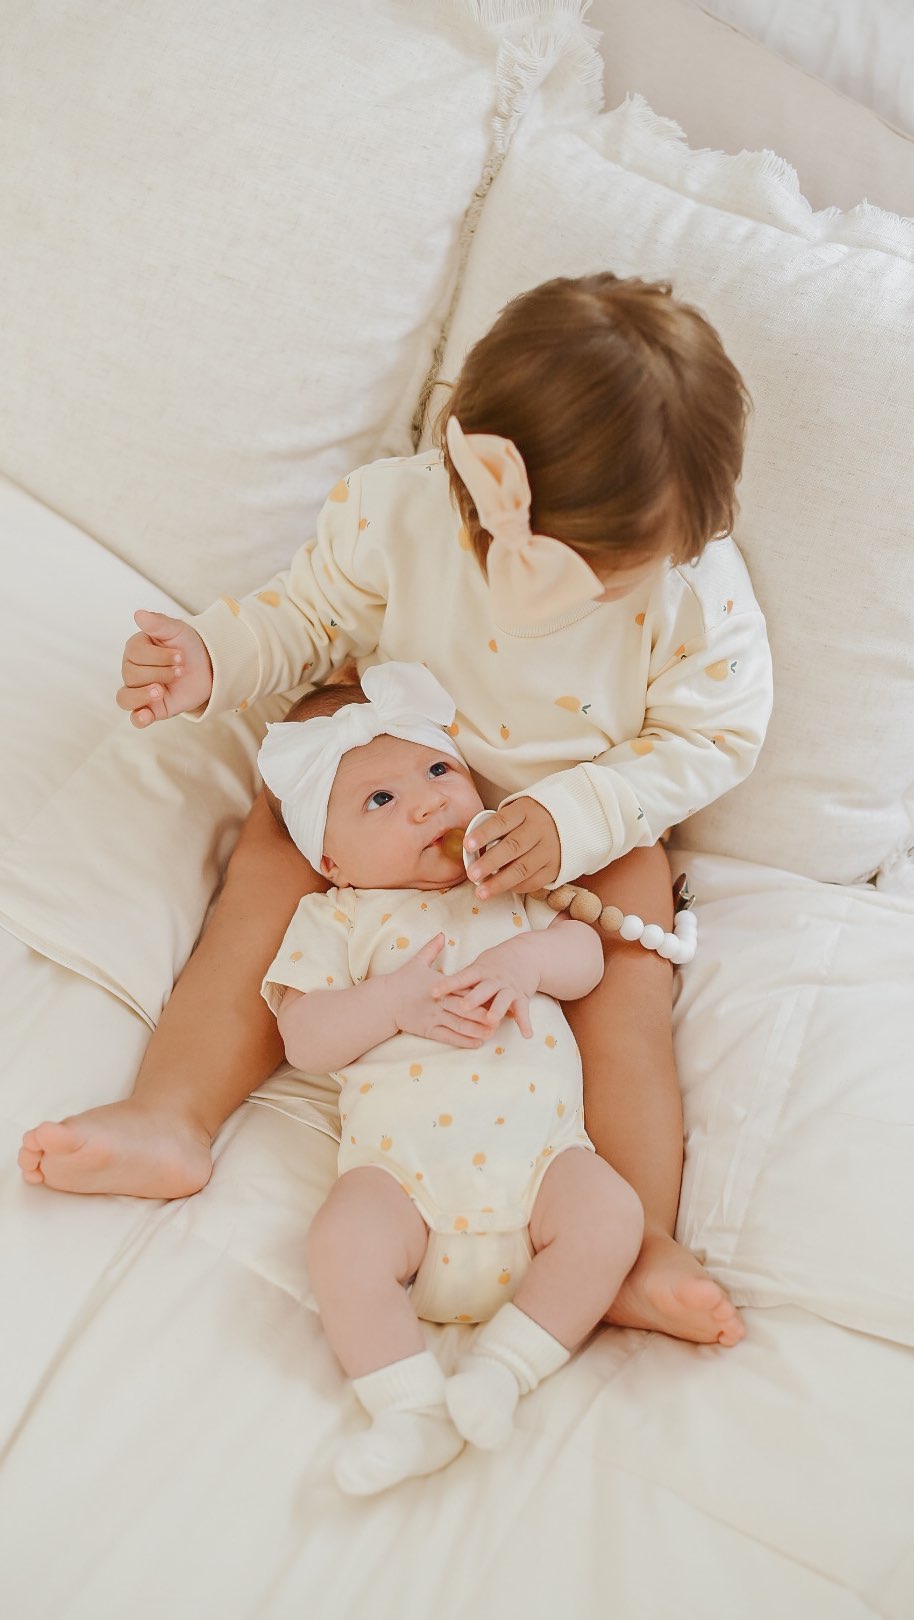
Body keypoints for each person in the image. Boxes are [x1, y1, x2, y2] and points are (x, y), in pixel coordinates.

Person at [19, 273, 772, 1349]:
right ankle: (172, 1113)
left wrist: (579, 815)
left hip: (583, 817)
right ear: (471, 473)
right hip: (395, 765)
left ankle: (632, 1238)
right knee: (274, 859)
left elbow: (713, 738)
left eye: (615, 578)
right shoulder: (406, 509)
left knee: (630, 967)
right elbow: (308, 616)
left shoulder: (694, 593)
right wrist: (215, 657)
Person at [257, 662, 643, 1494]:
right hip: (404, 1188)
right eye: (380, 799)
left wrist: (528, 960)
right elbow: (305, 1038)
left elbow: (585, 957)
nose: (428, 803)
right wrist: (391, 1002)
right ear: (331, 859)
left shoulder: (508, 887)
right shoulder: (336, 917)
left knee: (613, 1214)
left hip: (543, 1168)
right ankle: (409, 1412)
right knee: (340, 1243)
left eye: (439, 769)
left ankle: (504, 1369)